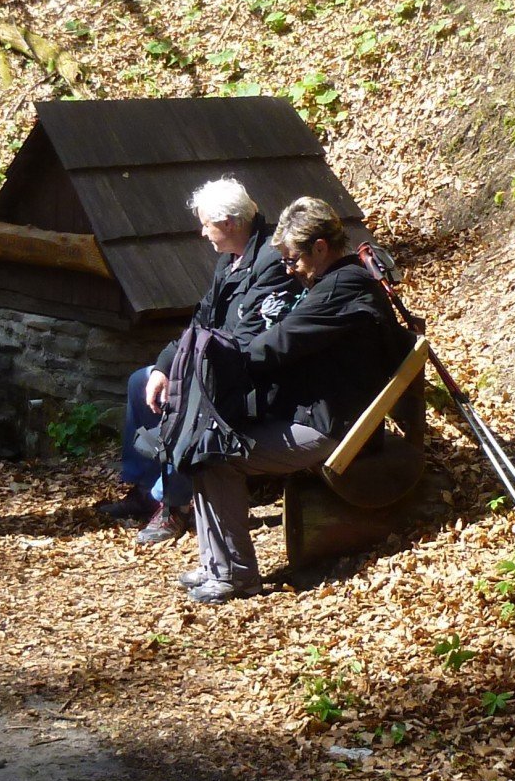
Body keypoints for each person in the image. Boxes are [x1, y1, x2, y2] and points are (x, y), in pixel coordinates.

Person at [179, 196, 411, 603]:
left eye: (292, 260)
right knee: (207, 443)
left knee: (216, 456)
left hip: (332, 428)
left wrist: (217, 360)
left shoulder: (343, 289)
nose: (290, 269)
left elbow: (277, 345)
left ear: (320, 248)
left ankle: (236, 576)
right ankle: (217, 564)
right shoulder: (333, 283)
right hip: (321, 413)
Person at [102, 178, 295, 546]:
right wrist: (164, 365)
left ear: (230, 223)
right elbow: (202, 319)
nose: (202, 231)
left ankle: (175, 504)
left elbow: (246, 337)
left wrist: (187, 370)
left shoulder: (270, 262)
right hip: (213, 360)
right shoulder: (231, 260)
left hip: (248, 375)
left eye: (207, 223)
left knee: (185, 397)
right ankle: (146, 489)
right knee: (142, 381)